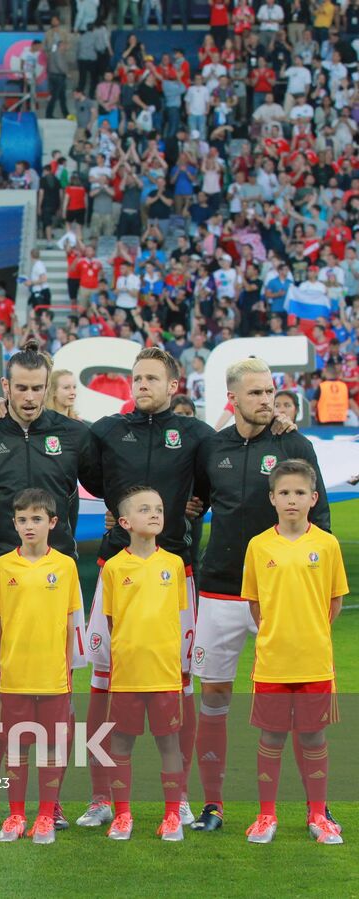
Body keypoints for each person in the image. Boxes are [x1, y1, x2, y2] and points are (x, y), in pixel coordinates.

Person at [0, 341, 101, 830]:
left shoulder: (75, 435)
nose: (31, 397)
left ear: (49, 387)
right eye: (22, 387)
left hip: (62, 576)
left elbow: (112, 484)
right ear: (6, 387)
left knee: (60, 685)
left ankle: (52, 801)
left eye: (39, 388)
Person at [190, 359, 330, 833]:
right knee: (214, 694)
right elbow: (198, 501)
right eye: (255, 394)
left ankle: (316, 807)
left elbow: (321, 521)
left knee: (299, 705)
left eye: (270, 391)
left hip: (281, 597)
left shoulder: (294, 443)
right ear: (233, 399)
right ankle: (214, 805)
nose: (267, 401)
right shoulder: (213, 447)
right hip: (222, 589)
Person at [76, 348, 212, 829]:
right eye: (136, 378)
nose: (142, 385)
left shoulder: (196, 435)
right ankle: (100, 797)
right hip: (117, 566)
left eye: (152, 378)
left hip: (177, 571)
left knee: (180, 683)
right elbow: (87, 471)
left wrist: (196, 505)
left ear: (174, 385)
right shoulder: (109, 430)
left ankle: (181, 799)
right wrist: (117, 508)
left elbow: (220, 479)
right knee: (102, 680)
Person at [241, 460, 346, 845]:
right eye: (283, 492)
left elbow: (333, 603)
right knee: (271, 738)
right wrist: (279, 633)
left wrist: (310, 632)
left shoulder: (327, 544)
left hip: (315, 660)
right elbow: (254, 604)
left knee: (313, 739)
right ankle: (266, 816)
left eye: (299, 492)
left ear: (313, 498)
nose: (291, 499)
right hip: (272, 662)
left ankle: (317, 814)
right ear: (272, 498)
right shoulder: (258, 546)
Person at [0, 488, 80, 844]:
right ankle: (15, 815)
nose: (29, 526)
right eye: (22, 519)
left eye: (37, 519)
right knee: (16, 748)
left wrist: (67, 670)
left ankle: (45, 816)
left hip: (52, 676)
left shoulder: (66, 566)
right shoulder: (3, 565)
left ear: (52, 523)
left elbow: (70, 623)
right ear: (14, 523)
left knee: (52, 747)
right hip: (14, 675)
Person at [98, 486, 189, 842]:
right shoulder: (115, 567)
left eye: (159, 508)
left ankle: (171, 816)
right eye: (145, 509)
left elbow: (174, 618)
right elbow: (111, 622)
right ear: (125, 522)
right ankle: (122, 815)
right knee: (121, 744)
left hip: (165, 673)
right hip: (128, 675)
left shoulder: (174, 564)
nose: (154, 514)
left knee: (169, 745)